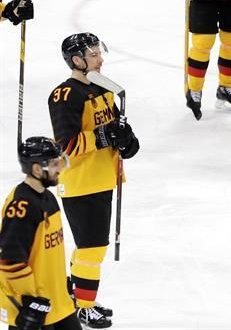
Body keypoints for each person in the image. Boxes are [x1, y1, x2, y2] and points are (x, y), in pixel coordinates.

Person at [48, 33, 140, 328]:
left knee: (89, 245)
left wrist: (126, 140)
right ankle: (84, 308)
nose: (100, 59)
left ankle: (77, 297)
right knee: (92, 248)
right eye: (93, 55)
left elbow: (114, 126)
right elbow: (66, 144)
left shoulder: (103, 88)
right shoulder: (64, 95)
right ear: (77, 60)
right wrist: (103, 136)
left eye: (100, 53)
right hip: (80, 182)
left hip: (102, 178)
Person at [0, 137, 82, 330]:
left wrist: (60, 285)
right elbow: (10, 261)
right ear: (37, 169)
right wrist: (30, 302)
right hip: (32, 308)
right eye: (54, 164)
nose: (60, 168)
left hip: (58, 303)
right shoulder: (22, 206)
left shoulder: (48, 198)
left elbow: (48, 252)